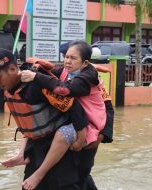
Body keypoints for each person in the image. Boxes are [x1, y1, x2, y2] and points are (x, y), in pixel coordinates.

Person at [0, 48, 90, 190]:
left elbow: (72, 105)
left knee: (67, 185)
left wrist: (81, 136)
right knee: (28, 186)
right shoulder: (10, 90)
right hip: (36, 145)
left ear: (13, 69)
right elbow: (27, 123)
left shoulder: (37, 85)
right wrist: (22, 152)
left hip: (59, 144)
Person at [21, 40, 114, 190]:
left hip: (87, 131)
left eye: (72, 58)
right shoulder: (66, 72)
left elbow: (107, 107)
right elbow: (53, 75)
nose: (67, 61)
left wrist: (102, 135)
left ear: (84, 63)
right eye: (65, 56)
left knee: (81, 176)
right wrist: (38, 69)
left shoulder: (91, 78)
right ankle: (22, 155)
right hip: (67, 128)